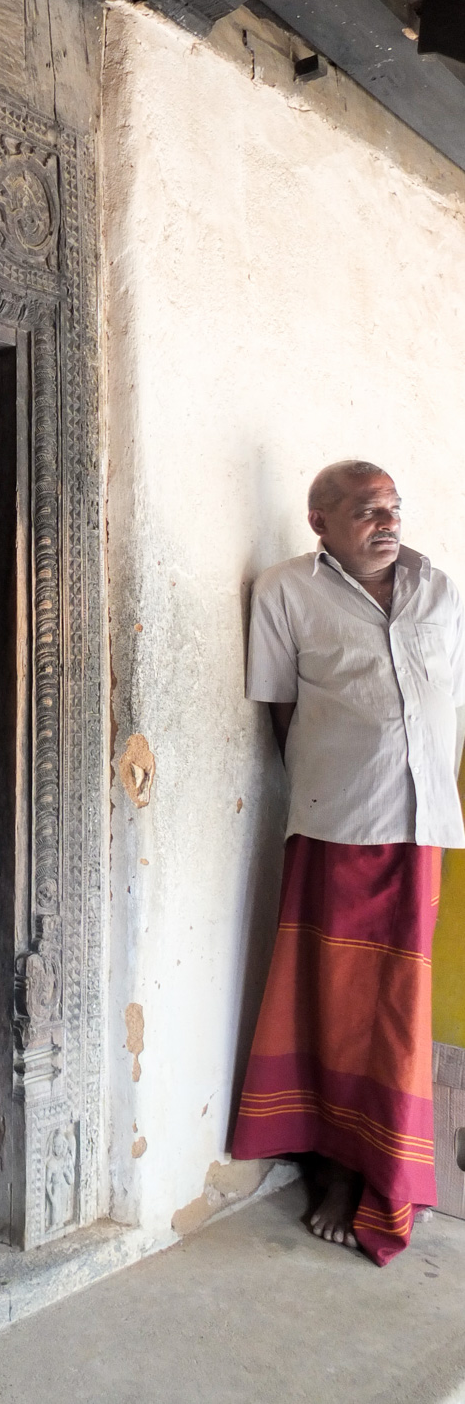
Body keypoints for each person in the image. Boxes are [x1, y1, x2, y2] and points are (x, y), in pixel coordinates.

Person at [231, 460, 465, 1264]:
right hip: (338, 825)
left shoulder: (439, 591)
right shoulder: (284, 591)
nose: (387, 521)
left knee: (395, 1008)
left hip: (423, 825)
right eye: (367, 510)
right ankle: (334, 1167)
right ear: (319, 519)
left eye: (393, 507)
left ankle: (385, 1172)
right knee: (330, 1001)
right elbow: (281, 711)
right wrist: (329, 792)